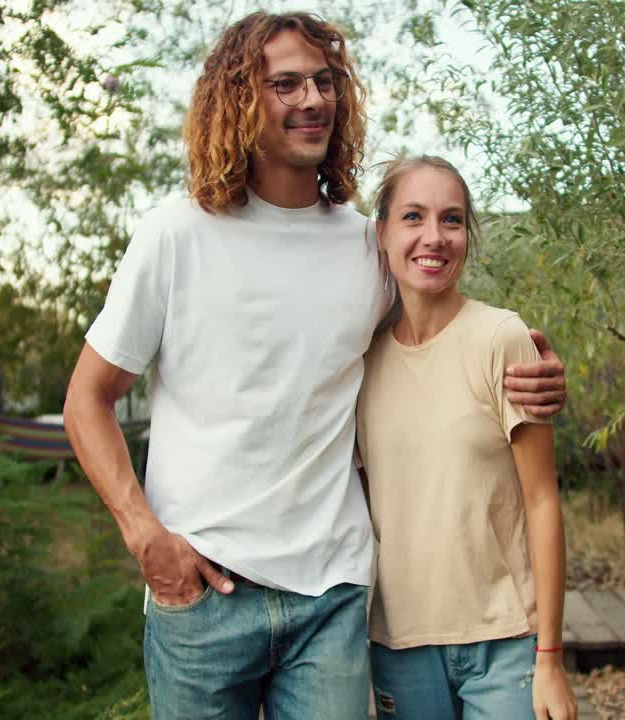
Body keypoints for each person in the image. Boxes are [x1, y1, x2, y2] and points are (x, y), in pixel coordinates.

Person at [62, 12, 568, 720]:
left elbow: (442, 334)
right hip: (203, 596)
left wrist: (534, 371)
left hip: (330, 596)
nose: (313, 99)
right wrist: (144, 535)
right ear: (239, 100)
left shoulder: (366, 249)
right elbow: (88, 399)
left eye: (324, 82)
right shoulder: (174, 235)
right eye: (286, 83)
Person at [357, 156, 579, 720]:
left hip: (505, 643)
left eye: (451, 220)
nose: (434, 236)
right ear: (381, 231)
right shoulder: (360, 360)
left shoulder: (501, 337)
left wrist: (549, 658)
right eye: (413, 216)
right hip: (398, 645)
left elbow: (542, 500)